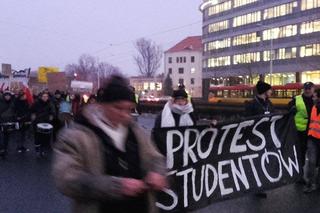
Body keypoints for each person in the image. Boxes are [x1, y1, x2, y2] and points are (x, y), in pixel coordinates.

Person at [52, 75, 167, 213]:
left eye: (129, 109)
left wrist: (157, 173)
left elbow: (156, 158)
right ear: (102, 106)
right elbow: (66, 179)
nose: (125, 115)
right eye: (118, 108)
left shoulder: (138, 132)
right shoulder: (76, 136)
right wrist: (116, 186)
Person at [245, 81, 274, 198]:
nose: (271, 92)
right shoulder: (252, 104)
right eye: (270, 90)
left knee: (263, 161)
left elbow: (274, 115)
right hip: (255, 139)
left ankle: (259, 185)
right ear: (264, 91)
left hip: (266, 137)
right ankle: (256, 186)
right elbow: (247, 121)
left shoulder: (268, 103)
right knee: (257, 162)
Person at [288, 82, 315, 183]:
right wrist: (292, 110)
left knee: (314, 156)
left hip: (314, 131)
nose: (307, 90)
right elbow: (288, 110)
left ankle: (313, 176)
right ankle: (300, 175)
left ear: (313, 89)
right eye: (306, 88)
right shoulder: (296, 99)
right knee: (301, 153)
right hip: (300, 132)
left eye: (309, 88)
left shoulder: (317, 99)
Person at [304, 89, 320, 193]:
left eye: (314, 96)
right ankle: (311, 184)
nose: (312, 98)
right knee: (312, 162)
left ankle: (317, 183)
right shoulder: (313, 107)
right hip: (312, 139)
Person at [31, 91, 56, 157]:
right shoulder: (36, 103)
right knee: (37, 137)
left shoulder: (50, 104)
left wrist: (52, 115)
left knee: (45, 137)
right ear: (41, 97)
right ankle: (37, 150)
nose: (45, 98)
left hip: (46, 122)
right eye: (44, 96)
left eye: (46, 97)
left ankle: (42, 150)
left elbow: (53, 111)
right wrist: (33, 116)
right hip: (37, 122)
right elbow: (31, 110)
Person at [0, 91, 16, 158]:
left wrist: (14, 120)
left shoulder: (12, 103)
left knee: (7, 137)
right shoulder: (1, 103)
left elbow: (14, 112)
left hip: (9, 122)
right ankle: (1, 150)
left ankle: (5, 149)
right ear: (4, 96)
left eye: (9, 96)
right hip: (1, 122)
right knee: (1, 137)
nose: (7, 97)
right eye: (6, 95)